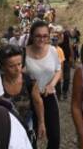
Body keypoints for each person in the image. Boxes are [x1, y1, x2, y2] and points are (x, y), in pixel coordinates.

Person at [0, 44, 47, 148]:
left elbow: (37, 101)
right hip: (4, 128)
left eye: (19, 64)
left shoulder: (29, 81)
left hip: (26, 125)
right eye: (11, 66)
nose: (17, 69)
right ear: (2, 66)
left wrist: (41, 123)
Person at [25, 20, 62, 149]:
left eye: (45, 36)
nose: (42, 39)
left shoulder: (52, 50)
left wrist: (52, 84)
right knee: (31, 135)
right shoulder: (24, 53)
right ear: (32, 36)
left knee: (55, 136)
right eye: (38, 36)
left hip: (48, 96)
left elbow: (58, 69)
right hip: (29, 100)